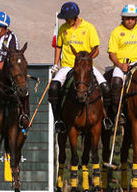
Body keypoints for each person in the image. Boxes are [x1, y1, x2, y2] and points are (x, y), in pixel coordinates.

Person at [50, 2, 111, 133]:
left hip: (85, 67)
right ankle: (58, 120)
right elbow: (58, 47)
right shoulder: (63, 29)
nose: (66, 20)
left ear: (75, 16)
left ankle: (106, 117)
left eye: (68, 18)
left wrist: (87, 61)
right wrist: (56, 64)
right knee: (54, 88)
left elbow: (96, 50)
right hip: (67, 65)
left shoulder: (89, 28)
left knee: (105, 87)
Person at [106, 4, 137, 124]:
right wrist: (120, 64)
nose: (130, 21)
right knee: (116, 82)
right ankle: (119, 113)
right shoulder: (117, 32)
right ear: (122, 18)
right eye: (127, 18)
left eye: (133, 18)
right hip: (123, 64)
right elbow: (111, 53)